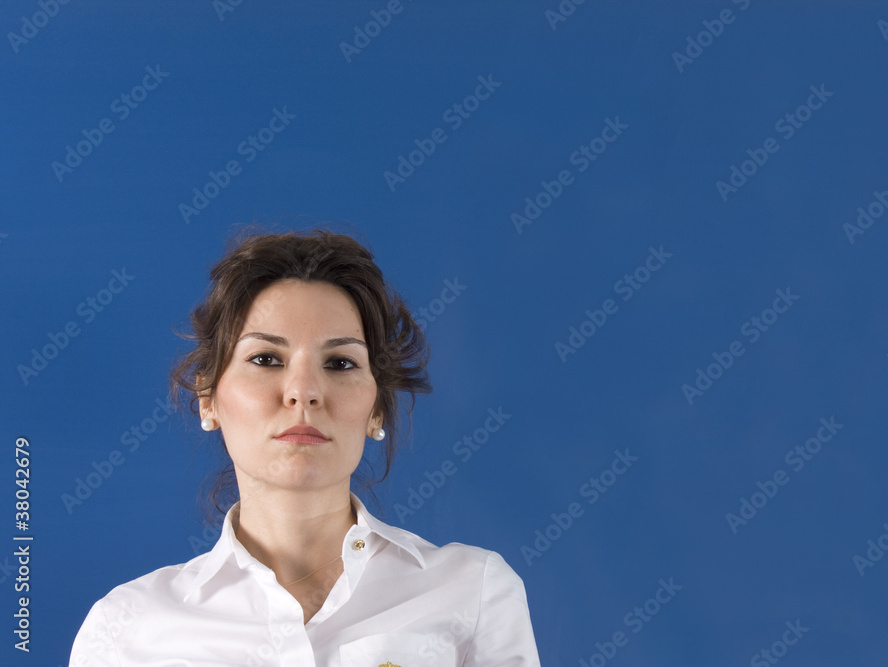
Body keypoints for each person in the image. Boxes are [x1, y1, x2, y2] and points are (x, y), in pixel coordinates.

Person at [68, 227, 541, 666]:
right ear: (208, 399)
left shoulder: (473, 591)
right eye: (266, 358)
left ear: (377, 408)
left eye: (339, 362)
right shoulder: (125, 629)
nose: (303, 391)